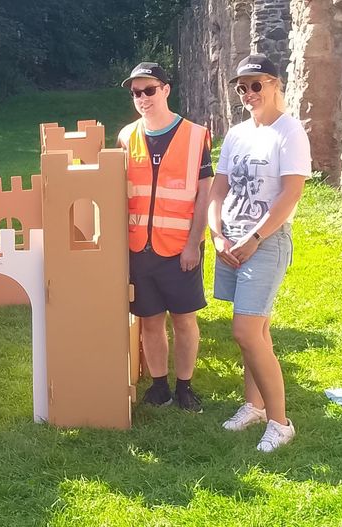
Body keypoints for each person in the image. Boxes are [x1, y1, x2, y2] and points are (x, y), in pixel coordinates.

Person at [209, 54, 311, 452]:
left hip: (265, 242)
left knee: (246, 330)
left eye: (256, 85)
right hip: (230, 240)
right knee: (257, 332)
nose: (249, 93)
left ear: (274, 84)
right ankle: (253, 406)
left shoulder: (289, 132)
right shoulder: (236, 134)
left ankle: (280, 422)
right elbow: (219, 189)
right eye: (242, 87)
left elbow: (291, 193)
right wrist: (216, 235)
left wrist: (254, 238)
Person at [117, 62, 213, 412]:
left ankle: (185, 386)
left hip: (180, 248)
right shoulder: (126, 136)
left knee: (185, 319)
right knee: (150, 320)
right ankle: (160, 386)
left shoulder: (195, 134)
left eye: (149, 90)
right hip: (138, 247)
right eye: (136, 93)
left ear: (166, 90)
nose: (142, 98)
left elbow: (204, 193)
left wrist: (194, 243)